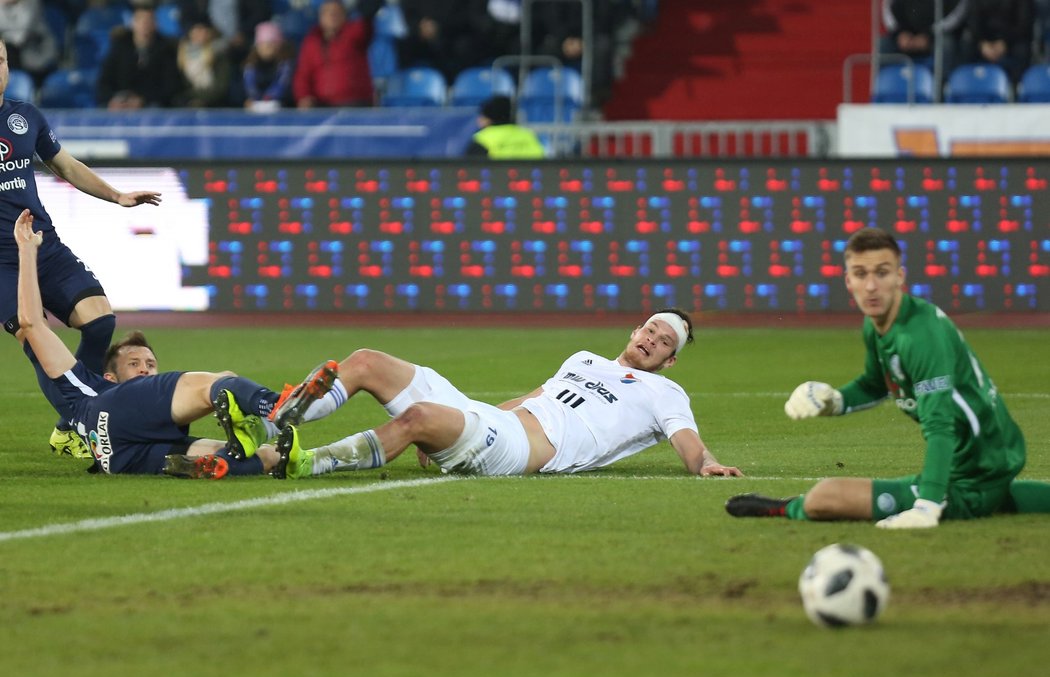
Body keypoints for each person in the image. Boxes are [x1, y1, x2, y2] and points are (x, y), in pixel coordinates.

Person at [725, 227, 1050, 529]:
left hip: (978, 468)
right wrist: (834, 401)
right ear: (848, 280)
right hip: (981, 460)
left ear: (899, 277)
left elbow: (940, 426)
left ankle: (787, 508)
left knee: (827, 496)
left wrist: (927, 506)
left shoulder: (921, 336)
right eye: (861, 274)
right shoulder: (878, 325)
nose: (870, 286)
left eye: (881, 273)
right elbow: (875, 383)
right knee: (1000, 500)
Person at [13, 208, 335, 478]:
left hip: (116, 458)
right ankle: (275, 406)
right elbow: (32, 323)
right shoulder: (86, 388)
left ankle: (228, 462)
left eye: (150, 364)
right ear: (109, 376)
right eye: (134, 363)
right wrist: (27, 252)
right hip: (112, 412)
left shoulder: (106, 410)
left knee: (263, 456)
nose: (145, 369)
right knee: (220, 380)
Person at [268, 309, 743, 481]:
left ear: (670, 359)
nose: (650, 341)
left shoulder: (665, 391)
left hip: (521, 451)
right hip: (497, 423)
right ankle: (273, 422)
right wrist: (465, 423)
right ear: (635, 328)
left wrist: (706, 465)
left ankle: (306, 462)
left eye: (663, 342)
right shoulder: (583, 360)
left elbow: (689, 444)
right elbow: (531, 398)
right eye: (650, 330)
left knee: (418, 418)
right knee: (368, 360)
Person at [0, 37, 165, 458]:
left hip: (42, 243)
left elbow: (66, 165)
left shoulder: (24, 116)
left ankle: (72, 424)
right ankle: (90, 426)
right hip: (2, 261)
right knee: (39, 339)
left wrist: (118, 196)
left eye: (0, 60)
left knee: (99, 319)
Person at [96, 3, 185, 110]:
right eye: (140, 20)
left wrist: (143, 100)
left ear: (155, 24)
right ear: (133, 23)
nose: (144, 25)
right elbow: (104, 82)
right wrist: (112, 100)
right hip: (121, 104)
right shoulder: (120, 47)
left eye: (148, 21)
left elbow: (171, 87)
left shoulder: (166, 49)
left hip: (152, 105)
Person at [293, 0, 375, 108]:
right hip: (321, 105)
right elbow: (303, 74)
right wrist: (303, 96)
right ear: (320, 17)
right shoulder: (311, 41)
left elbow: (369, 11)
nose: (332, 16)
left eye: (337, 12)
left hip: (355, 104)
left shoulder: (355, 34)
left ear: (344, 16)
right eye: (328, 12)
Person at [880, 0, 968, 76]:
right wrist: (899, 33)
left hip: (937, 35)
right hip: (905, 35)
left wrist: (929, 36)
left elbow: (958, 12)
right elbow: (888, 7)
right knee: (882, 45)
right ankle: (883, 89)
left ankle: (942, 88)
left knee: (946, 45)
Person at [960, 0, 1035, 85]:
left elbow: (1024, 24)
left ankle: (1017, 88)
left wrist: (1005, 43)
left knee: (1022, 49)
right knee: (966, 45)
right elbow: (973, 21)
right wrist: (983, 44)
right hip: (985, 41)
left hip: (1011, 41)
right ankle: (965, 85)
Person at [464, 95, 546, 159]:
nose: (478, 120)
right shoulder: (529, 135)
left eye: (482, 116)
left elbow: (473, 172)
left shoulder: (482, 140)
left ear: (488, 118)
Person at [176, 17, 232, 108]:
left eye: (204, 30)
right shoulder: (179, 54)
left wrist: (201, 100)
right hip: (186, 102)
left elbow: (221, 87)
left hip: (214, 104)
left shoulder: (219, 55)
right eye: (197, 30)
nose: (201, 33)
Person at [241, 20, 295, 110]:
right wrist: (249, 100)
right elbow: (244, 89)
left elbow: (284, 88)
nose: (265, 48)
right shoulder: (249, 67)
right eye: (262, 44)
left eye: (270, 44)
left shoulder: (286, 66)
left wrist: (269, 99)